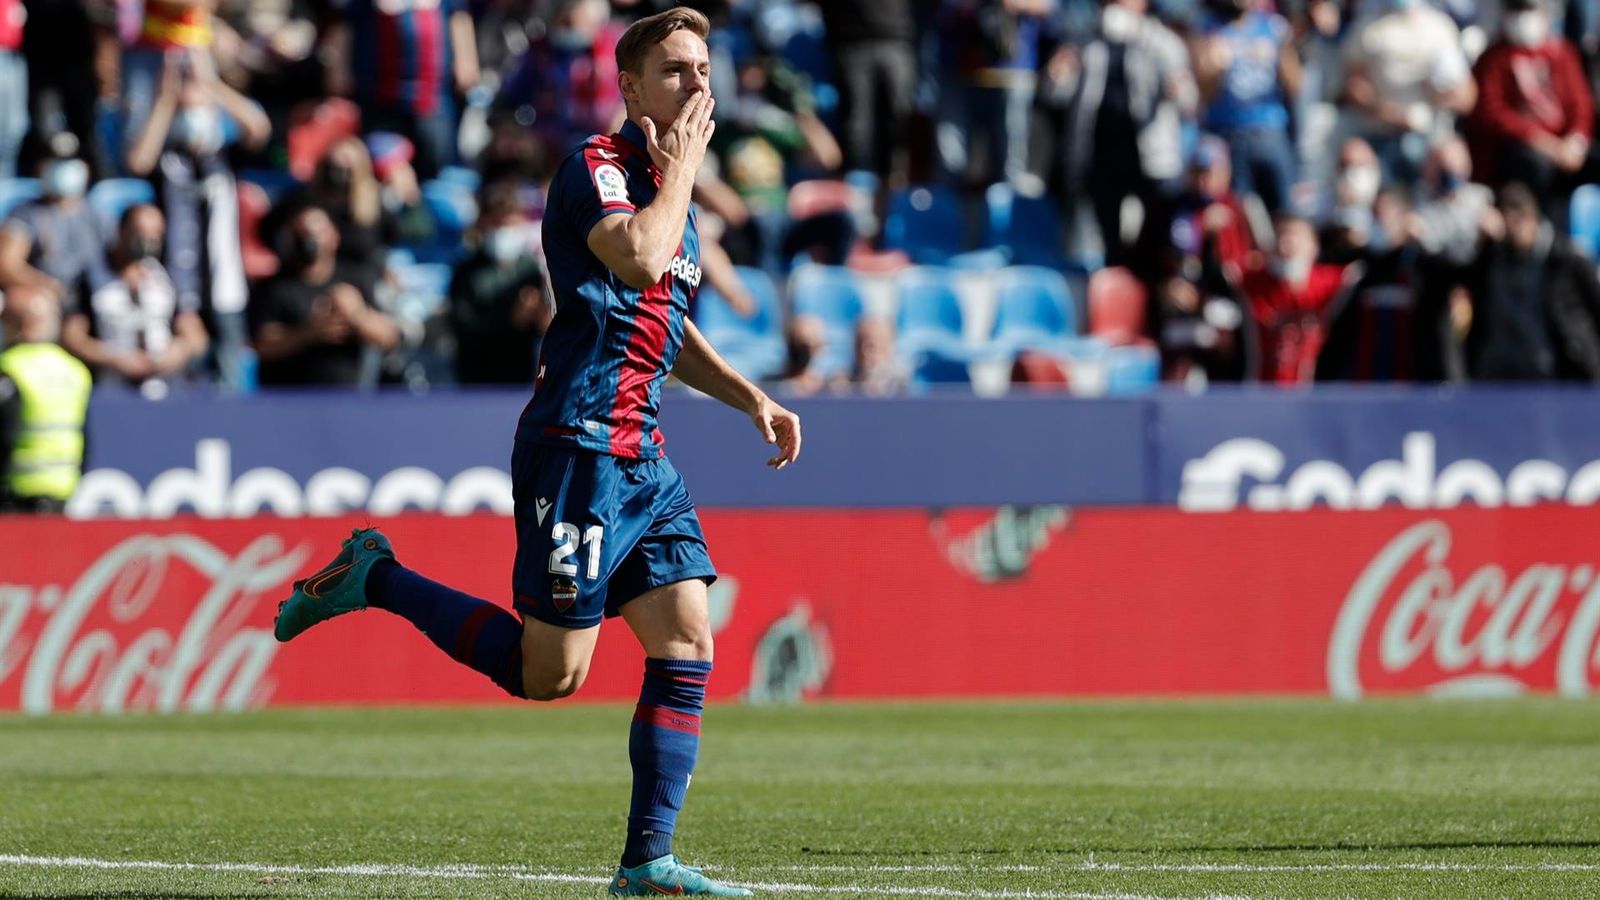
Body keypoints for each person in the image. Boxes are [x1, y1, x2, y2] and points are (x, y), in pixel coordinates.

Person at [271, 9, 798, 897]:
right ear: (631, 87)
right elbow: (637, 260)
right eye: (676, 70)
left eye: (705, 69)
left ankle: (647, 862)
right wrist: (687, 176)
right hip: (580, 444)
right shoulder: (598, 171)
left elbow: (665, 320)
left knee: (687, 636)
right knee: (549, 675)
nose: (698, 86)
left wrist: (752, 397)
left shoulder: (677, 197)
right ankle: (376, 576)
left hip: (644, 453)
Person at [61, 203, 209, 394]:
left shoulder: (166, 276)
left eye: (156, 233)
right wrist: (114, 358)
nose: (148, 239)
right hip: (109, 388)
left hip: (164, 388)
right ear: (121, 231)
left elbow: (196, 336)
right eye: (140, 231)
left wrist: (178, 350)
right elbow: (72, 337)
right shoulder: (91, 278)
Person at [248, 202, 400, 387]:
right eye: (301, 232)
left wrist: (358, 315)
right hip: (287, 398)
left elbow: (389, 336)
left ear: (334, 236)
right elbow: (261, 345)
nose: (309, 239)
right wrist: (309, 332)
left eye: (316, 231)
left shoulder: (356, 279)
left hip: (348, 397)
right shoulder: (274, 287)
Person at [1461, 182, 1600, 381]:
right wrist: (1480, 241)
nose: (1515, 229)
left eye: (1520, 220)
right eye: (1509, 222)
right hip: (1499, 377)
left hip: (1557, 375)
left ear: (1533, 217)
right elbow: (1459, 276)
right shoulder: (1491, 257)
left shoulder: (1565, 258)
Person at [448, 180, 552, 384]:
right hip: (476, 376)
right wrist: (510, 319)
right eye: (497, 224)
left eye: (509, 224)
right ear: (483, 224)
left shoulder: (530, 269)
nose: (503, 232)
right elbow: (462, 325)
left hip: (521, 376)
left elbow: (547, 325)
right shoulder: (466, 270)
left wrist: (538, 315)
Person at [0, 283, 91, 514]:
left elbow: (4, 433)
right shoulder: (76, 371)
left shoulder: (10, 367)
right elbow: (85, 436)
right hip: (64, 488)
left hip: (16, 492)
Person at [0, 153, 110, 307]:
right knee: (31, 306)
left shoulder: (95, 213)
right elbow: (7, 265)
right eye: (56, 162)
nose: (65, 169)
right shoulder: (25, 212)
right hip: (47, 293)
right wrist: (48, 286)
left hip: (92, 294)